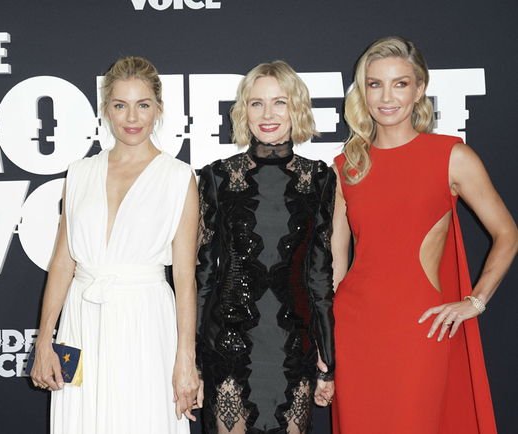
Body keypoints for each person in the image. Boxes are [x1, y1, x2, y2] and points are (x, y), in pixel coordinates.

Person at [331, 36, 518, 434]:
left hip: (418, 327)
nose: (386, 96)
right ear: (362, 91)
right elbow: (335, 261)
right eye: (374, 83)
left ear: (419, 89)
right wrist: (324, 338)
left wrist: (475, 301)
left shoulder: (451, 156)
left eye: (400, 83)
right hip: (353, 329)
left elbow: (507, 233)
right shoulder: (346, 166)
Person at [29, 56, 201, 434]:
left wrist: (185, 359)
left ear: (158, 109)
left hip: (146, 322)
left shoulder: (178, 177)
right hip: (82, 323)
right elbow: (62, 263)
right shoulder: (80, 172)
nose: (132, 117)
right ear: (106, 110)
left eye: (143, 105)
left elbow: (185, 278)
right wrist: (45, 340)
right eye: (120, 105)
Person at [196, 61, 336, 434]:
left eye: (280, 102)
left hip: (296, 345)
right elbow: (205, 271)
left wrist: (329, 357)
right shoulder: (216, 176)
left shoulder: (320, 178)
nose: (268, 114)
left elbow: (320, 275)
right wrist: (193, 360)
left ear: (297, 109)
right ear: (244, 111)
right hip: (229, 343)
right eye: (257, 103)